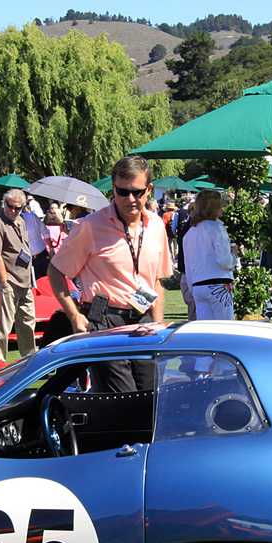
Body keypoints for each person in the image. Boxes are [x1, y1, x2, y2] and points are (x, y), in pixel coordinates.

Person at [48, 154, 173, 392]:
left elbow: (156, 282)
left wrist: (158, 327)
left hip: (143, 321)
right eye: (122, 191)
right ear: (112, 189)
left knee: (152, 396)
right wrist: (74, 315)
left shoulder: (156, 225)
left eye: (137, 192)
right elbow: (55, 270)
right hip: (103, 321)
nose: (130, 199)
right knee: (122, 399)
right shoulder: (90, 227)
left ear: (149, 190)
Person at [0, 189, 37, 360]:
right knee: (5, 326)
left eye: (18, 208)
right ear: (4, 203)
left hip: (25, 281)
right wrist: (4, 282)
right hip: (10, 281)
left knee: (28, 324)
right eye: (11, 206)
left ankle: (29, 360)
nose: (14, 210)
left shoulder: (20, 221)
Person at [182, 189, 236, 321]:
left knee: (205, 331)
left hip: (198, 285)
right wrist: (234, 257)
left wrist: (192, 288)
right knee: (225, 329)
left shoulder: (190, 233)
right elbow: (224, 260)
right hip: (219, 284)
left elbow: (188, 266)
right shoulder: (217, 228)